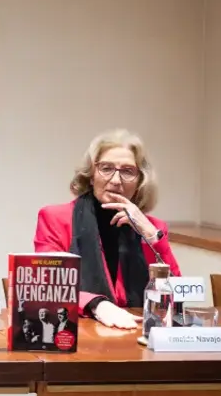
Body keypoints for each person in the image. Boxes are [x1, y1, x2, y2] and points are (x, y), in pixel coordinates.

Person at [33, 128, 181, 329]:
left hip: (137, 332)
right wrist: (97, 305)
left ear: (140, 181)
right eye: (106, 168)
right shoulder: (55, 218)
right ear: (92, 175)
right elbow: (49, 285)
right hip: (79, 332)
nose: (115, 180)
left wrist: (151, 236)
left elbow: (176, 291)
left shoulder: (154, 228)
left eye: (128, 171)